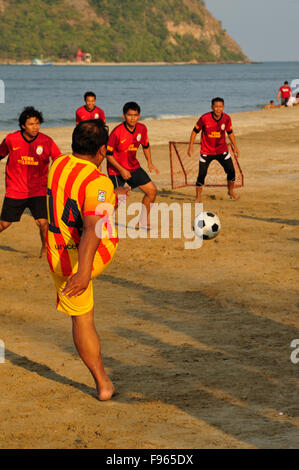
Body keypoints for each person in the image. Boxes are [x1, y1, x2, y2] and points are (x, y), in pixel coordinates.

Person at [46, 119, 130, 401]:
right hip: (85, 257)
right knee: (83, 320)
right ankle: (103, 384)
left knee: (79, 317)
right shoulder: (97, 181)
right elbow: (93, 228)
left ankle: (104, 382)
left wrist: (109, 196)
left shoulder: (57, 164)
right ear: (102, 150)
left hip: (57, 252)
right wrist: (84, 272)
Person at [0, 106, 61, 257]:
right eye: (31, 124)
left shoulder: (46, 141)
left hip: (38, 190)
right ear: (22, 126)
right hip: (15, 190)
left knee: (43, 223)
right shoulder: (11, 139)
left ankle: (45, 249)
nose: (35, 127)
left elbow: (58, 160)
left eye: (37, 123)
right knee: (4, 224)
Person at [106, 101, 159, 227]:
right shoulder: (117, 132)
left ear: (139, 116)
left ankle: (142, 221)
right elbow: (108, 155)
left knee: (152, 191)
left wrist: (150, 163)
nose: (132, 118)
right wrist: (122, 170)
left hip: (133, 166)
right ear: (124, 116)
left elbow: (146, 146)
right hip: (116, 170)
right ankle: (105, 222)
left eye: (135, 115)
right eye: (130, 115)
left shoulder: (142, 128)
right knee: (118, 199)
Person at [187, 97, 240, 202]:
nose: (218, 109)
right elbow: (194, 131)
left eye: (220, 107)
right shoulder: (204, 118)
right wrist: (190, 146)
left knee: (232, 171)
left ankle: (231, 191)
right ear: (212, 107)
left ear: (223, 107)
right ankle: (197, 197)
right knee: (202, 174)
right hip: (206, 151)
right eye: (216, 107)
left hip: (222, 150)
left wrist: (235, 147)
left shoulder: (227, 118)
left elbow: (230, 133)